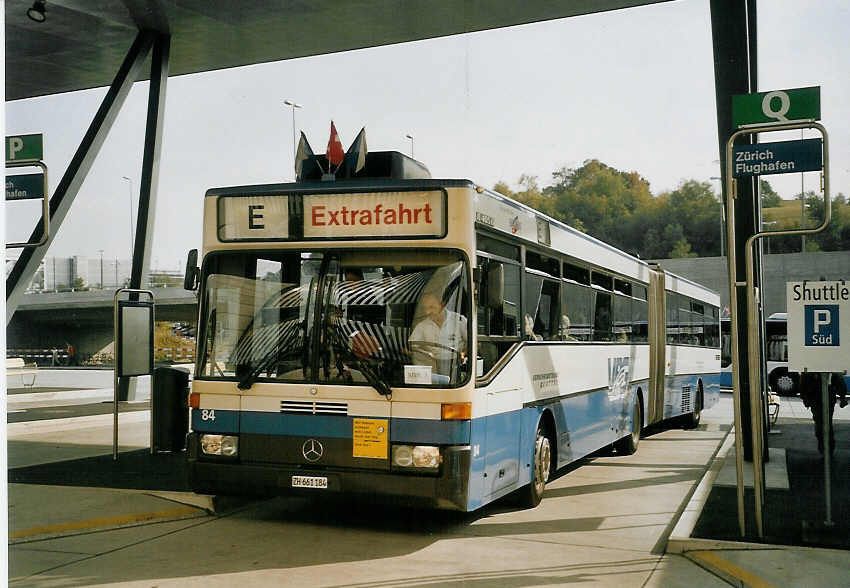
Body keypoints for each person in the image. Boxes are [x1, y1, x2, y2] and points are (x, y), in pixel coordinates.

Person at [409, 292, 467, 374]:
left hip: (455, 366)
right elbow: (411, 348)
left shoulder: (459, 320)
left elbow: (474, 344)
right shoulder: (422, 326)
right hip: (431, 366)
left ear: (442, 305)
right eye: (425, 308)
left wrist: (463, 354)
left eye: (431, 307)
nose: (427, 312)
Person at [800, 371, 848, 455]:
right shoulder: (827, 367)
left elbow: (803, 381)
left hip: (818, 397)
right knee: (824, 423)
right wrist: (842, 397)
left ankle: (825, 449)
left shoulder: (811, 368)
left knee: (821, 423)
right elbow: (839, 379)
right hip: (820, 397)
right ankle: (827, 449)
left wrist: (804, 397)